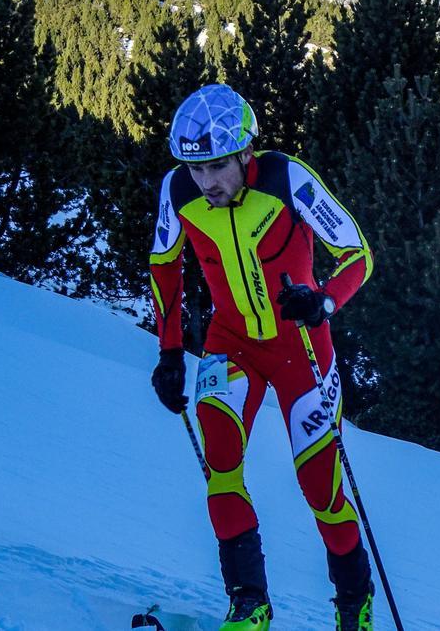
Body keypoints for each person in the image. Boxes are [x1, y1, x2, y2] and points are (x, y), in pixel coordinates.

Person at [147, 84, 376, 631]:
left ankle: (355, 605)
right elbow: (164, 265)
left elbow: (358, 254)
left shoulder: (285, 178)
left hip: (300, 347)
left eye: (217, 167)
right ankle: (250, 604)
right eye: (195, 169)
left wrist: (323, 300)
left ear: (246, 152)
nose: (207, 182)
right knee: (221, 467)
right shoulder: (178, 190)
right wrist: (171, 352)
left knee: (322, 490)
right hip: (231, 343)